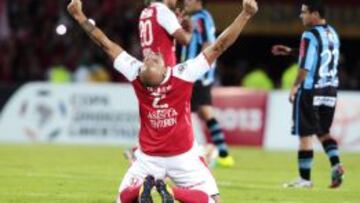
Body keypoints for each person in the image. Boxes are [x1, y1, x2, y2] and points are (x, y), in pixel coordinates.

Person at [67, 0, 258, 202]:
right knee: (214, 200)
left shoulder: (135, 72)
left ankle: (143, 189)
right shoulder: (183, 73)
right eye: (152, 59)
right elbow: (219, 45)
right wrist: (245, 14)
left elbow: (104, 43)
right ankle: (171, 192)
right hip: (184, 157)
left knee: (122, 199)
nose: (151, 55)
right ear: (165, 69)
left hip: (147, 159)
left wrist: (79, 16)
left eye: (149, 58)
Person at [271, 0, 344, 188]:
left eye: (304, 12)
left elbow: (305, 65)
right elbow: (319, 54)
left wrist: (295, 86)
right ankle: (336, 164)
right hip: (329, 90)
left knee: (305, 135)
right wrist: (290, 51)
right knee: (323, 132)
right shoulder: (333, 34)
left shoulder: (309, 35)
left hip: (310, 91)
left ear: (315, 14)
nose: (301, 15)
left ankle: (305, 179)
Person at [181, 0, 234, 167]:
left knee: (183, 111)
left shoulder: (200, 18)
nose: (185, 1)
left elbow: (207, 44)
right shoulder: (197, 17)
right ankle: (224, 154)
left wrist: (199, 67)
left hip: (195, 73)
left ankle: (187, 152)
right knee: (206, 112)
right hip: (199, 73)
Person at [139, 0, 192, 67]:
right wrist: (189, 28)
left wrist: (176, 24)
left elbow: (158, 35)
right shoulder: (163, 11)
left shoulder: (144, 13)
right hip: (164, 70)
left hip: (149, 69)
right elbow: (185, 39)